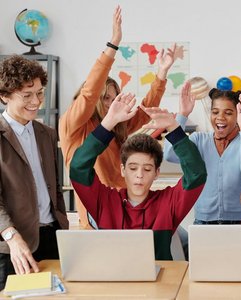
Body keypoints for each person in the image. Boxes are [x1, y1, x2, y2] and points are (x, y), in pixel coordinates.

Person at [59, 6, 176, 229]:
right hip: (98, 214)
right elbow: (90, 92)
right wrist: (114, 43)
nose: (112, 104)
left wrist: (161, 73)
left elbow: (145, 111)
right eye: (106, 99)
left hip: (124, 206)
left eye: (114, 98)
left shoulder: (116, 126)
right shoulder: (74, 124)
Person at [69, 82, 207, 260]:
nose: (139, 175)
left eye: (147, 169)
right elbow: (78, 167)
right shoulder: (105, 201)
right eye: (133, 168)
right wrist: (108, 124)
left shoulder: (168, 203)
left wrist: (174, 129)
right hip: (116, 283)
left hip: (159, 284)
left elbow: (196, 173)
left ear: (157, 173)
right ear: (123, 170)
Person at [0, 55, 69, 289]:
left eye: (40, 93)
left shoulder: (46, 133)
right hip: (14, 246)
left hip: (52, 237)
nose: (36, 101)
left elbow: (54, 185)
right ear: (4, 95)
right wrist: (11, 237)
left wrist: (63, 223)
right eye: (26, 95)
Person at [163, 87, 241, 224]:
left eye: (228, 113)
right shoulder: (199, 140)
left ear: (238, 115)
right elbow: (169, 154)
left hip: (239, 221)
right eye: (215, 112)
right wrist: (183, 115)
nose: (220, 117)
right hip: (203, 222)